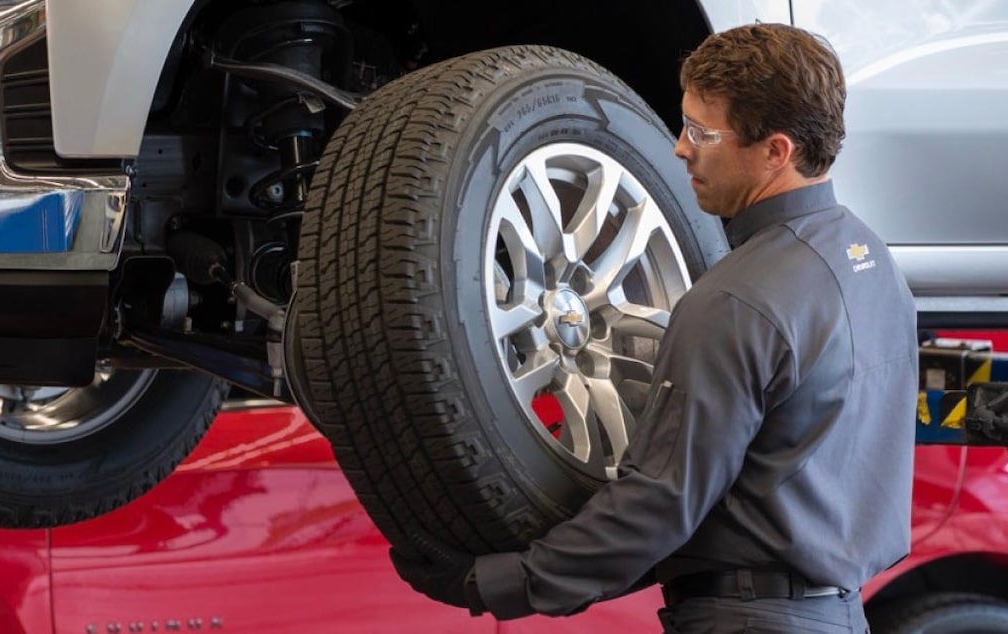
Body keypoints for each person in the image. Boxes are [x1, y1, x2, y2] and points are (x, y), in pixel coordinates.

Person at [390, 22, 919, 633]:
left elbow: (661, 503)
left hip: (748, 620)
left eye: (702, 132)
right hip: (840, 617)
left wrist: (495, 583)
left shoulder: (737, 300)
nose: (680, 148)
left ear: (776, 151)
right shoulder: (873, 263)